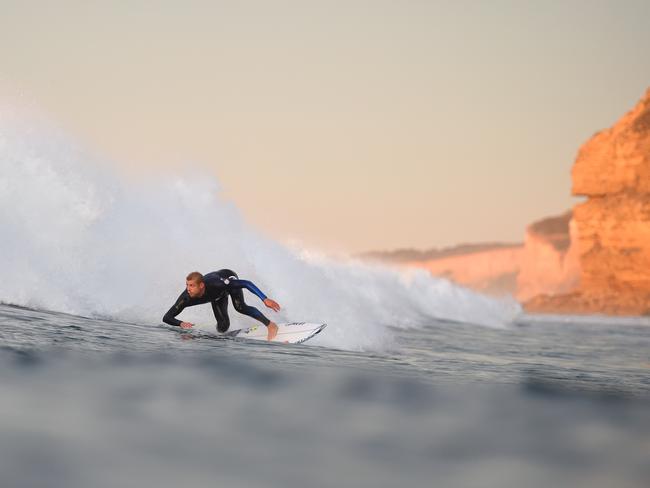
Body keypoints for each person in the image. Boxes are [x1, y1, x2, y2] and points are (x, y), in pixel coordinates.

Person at [163, 269, 280, 341]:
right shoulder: (186, 298)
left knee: (240, 307)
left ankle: (271, 325)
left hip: (227, 279)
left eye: (191, 286)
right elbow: (167, 317)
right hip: (217, 296)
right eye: (187, 285)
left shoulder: (217, 283)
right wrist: (181, 323)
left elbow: (246, 283)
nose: (188, 289)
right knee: (223, 326)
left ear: (201, 286)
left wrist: (265, 299)